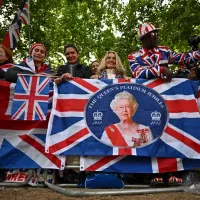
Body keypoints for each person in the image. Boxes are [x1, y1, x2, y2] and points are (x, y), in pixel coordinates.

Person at [128, 22, 200, 81]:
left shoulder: (164, 51)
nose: (156, 36)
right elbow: (138, 74)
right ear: (143, 38)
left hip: (166, 95)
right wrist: (161, 70)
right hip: (147, 94)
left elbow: (183, 58)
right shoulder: (133, 56)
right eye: (152, 34)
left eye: (156, 33)